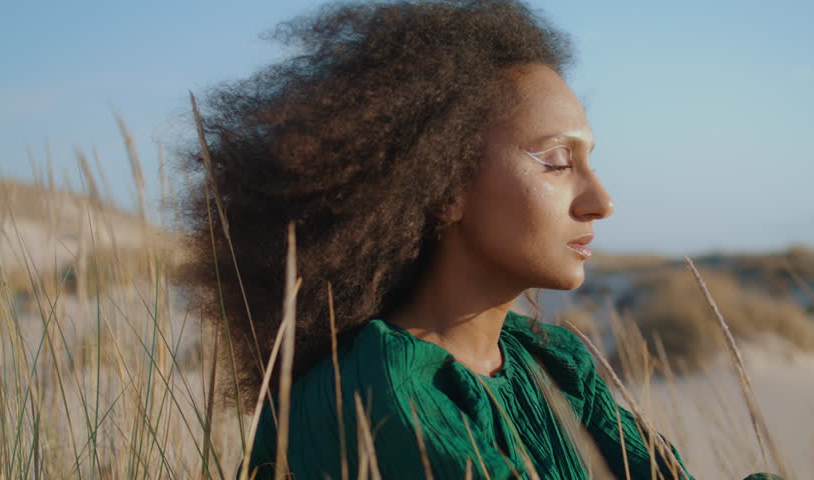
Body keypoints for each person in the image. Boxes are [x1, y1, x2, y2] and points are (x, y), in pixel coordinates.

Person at [179, 1, 784, 478]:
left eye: (590, 159)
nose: (601, 200)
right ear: (444, 186)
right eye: (554, 160)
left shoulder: (550, 364)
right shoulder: (383, 392)